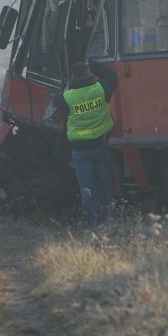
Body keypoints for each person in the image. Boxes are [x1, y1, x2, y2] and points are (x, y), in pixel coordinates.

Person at [60, 59, 118, 229]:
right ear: (90, 74)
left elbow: (62, 126)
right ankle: (108, 221)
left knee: (88, 189)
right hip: (100, 146)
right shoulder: (101, 89)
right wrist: (92, 64)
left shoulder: (67, 98)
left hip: (80, 151)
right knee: (105, 185)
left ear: (72, 78)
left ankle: (94, 224)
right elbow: (111, 75)